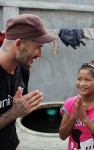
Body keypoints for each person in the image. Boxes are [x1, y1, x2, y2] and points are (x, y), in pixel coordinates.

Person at [0, 14, 56, 150]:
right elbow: (13, 112)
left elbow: (17, 111)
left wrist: (24, 108)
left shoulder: (23, 69)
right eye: (38, 47)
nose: (40, 54)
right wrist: (13, 112)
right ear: (19, 44)